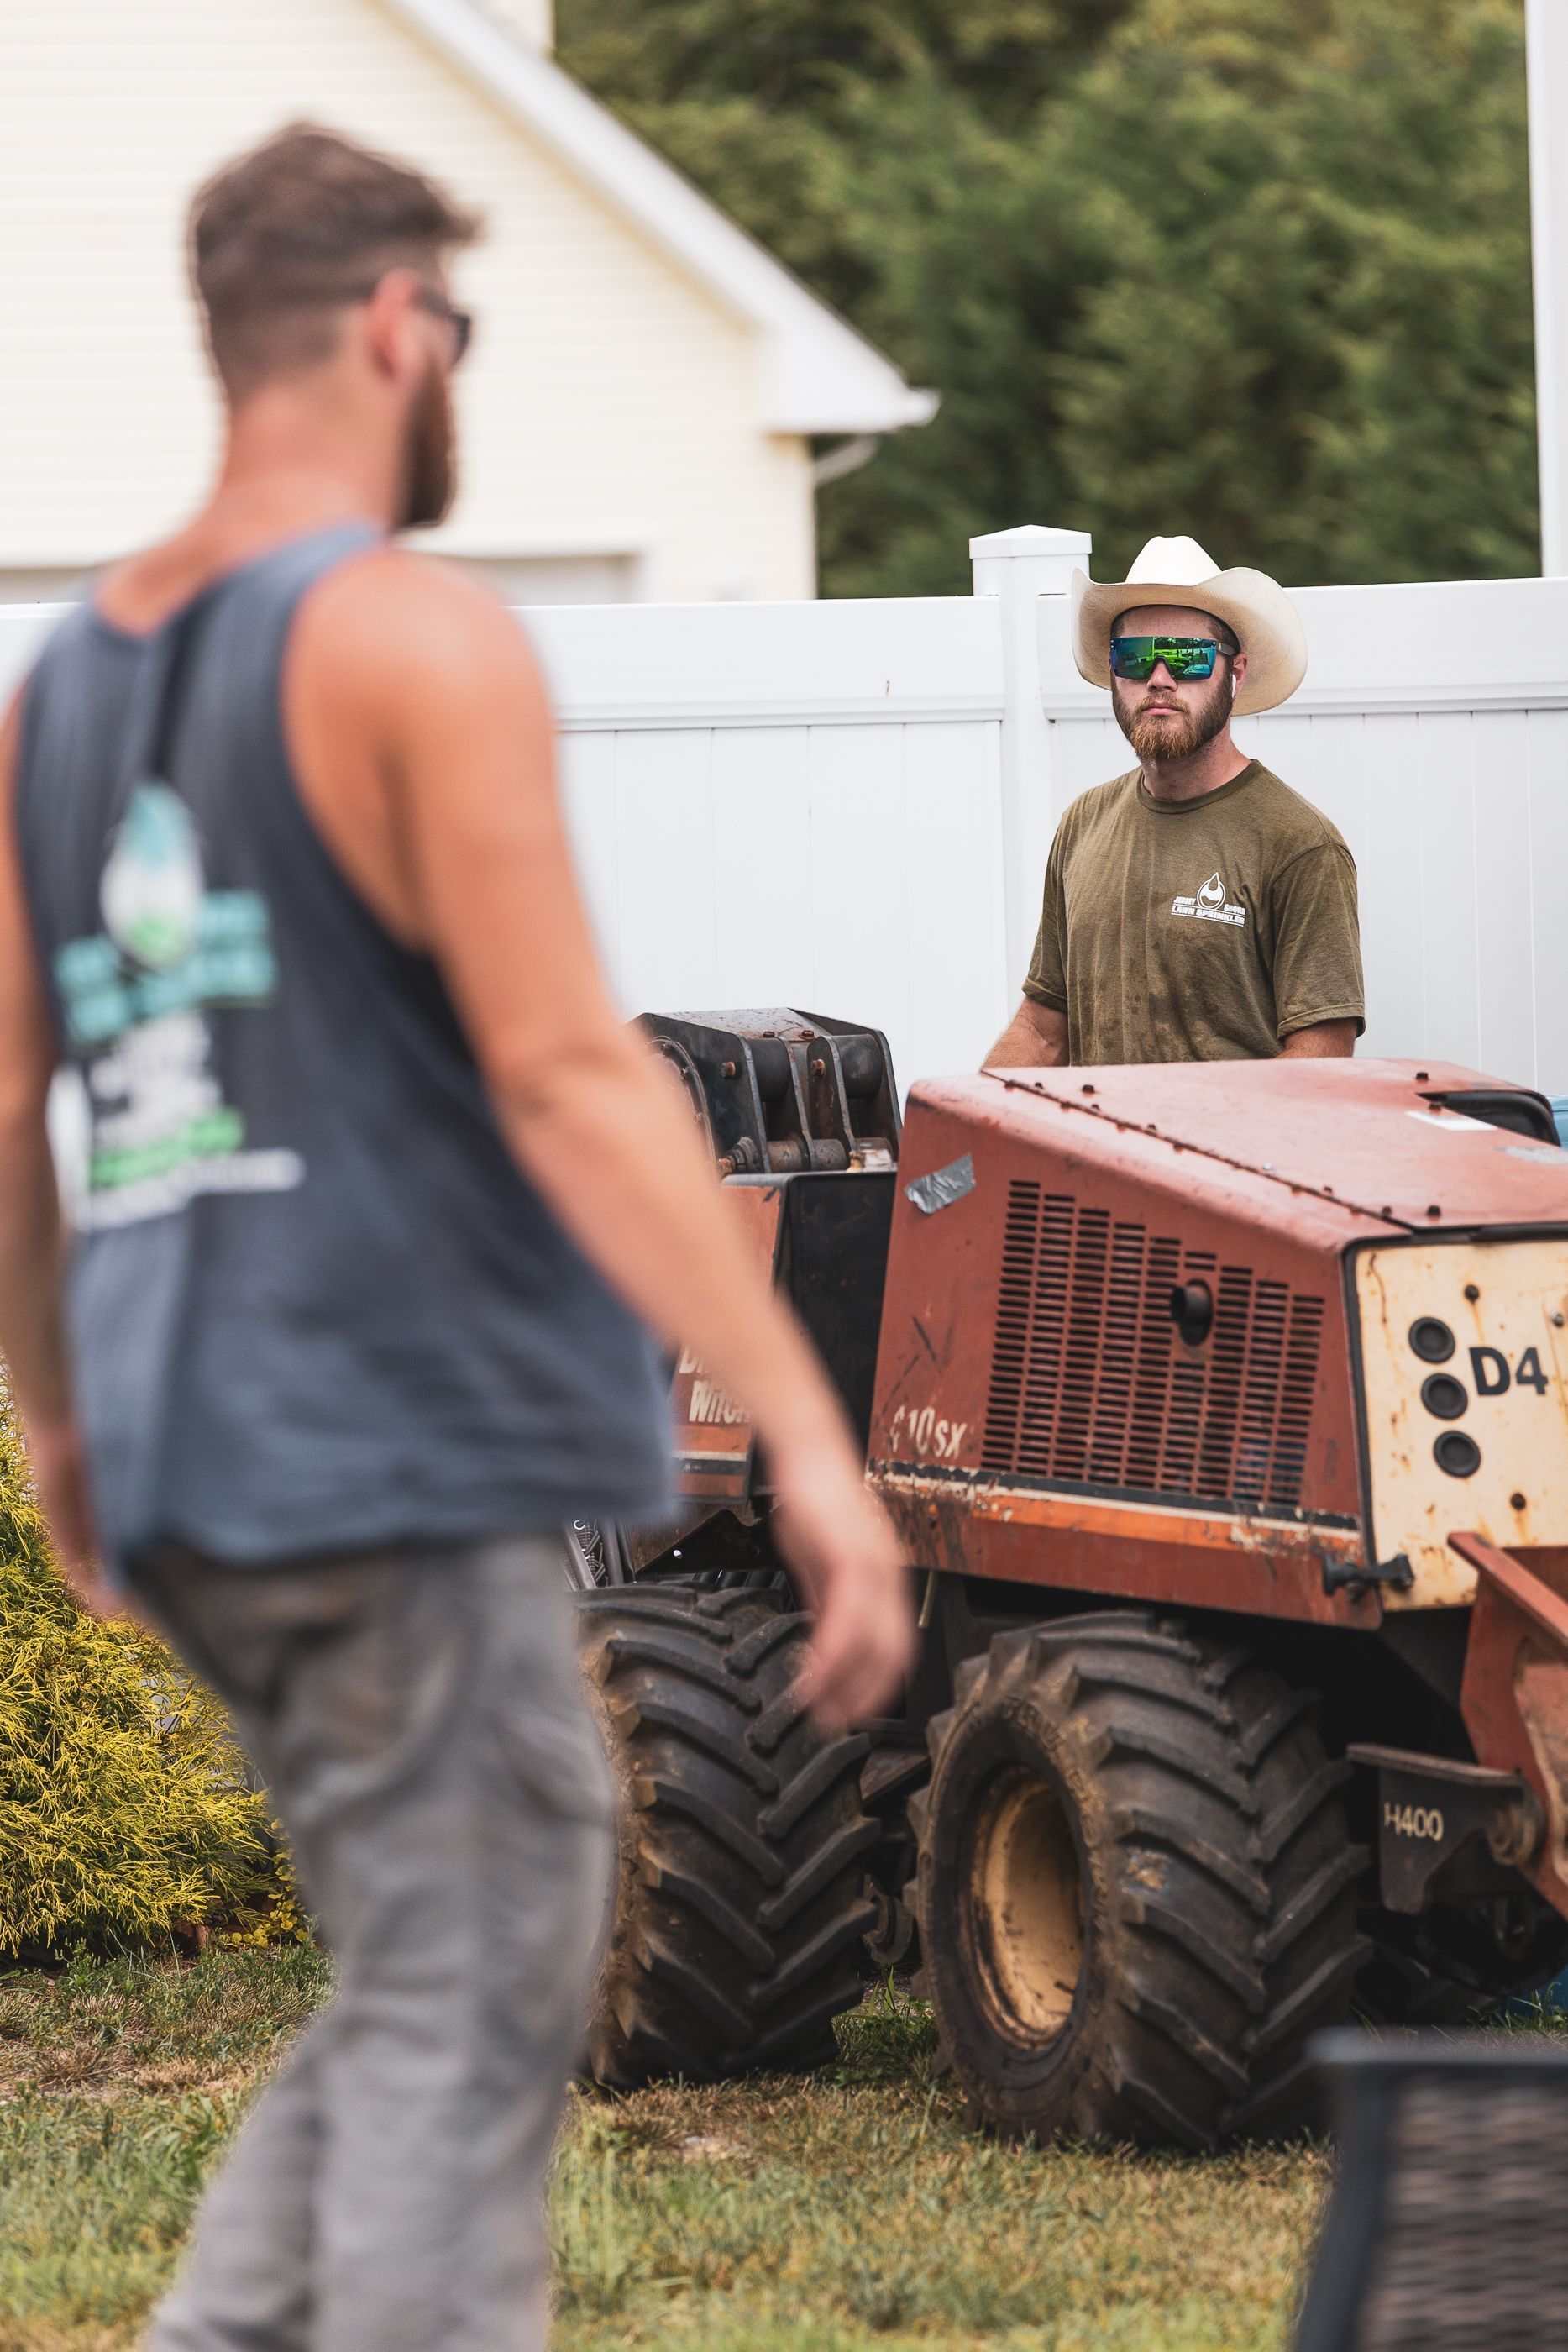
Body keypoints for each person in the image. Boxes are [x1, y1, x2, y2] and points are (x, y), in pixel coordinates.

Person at [0, 123, 912, 2352]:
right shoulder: (409, 638)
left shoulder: (63, 697)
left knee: (424, 1963)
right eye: (466, 335)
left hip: (203, 1453)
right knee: (499, 1958)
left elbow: (13, 1104)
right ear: (398, 328)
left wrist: (61, 1424)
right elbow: (575, 1073)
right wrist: (803, 1432)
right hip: (391, 1436)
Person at [987, 534, 1364, 1069]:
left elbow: (1320, 1060)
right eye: (1137, 657)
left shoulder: (1300, 844)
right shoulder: (1083, 823)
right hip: (1096, 1152)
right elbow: (1043, 1032)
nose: (1159, 679)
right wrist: (965, 1122)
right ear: (1115, 673)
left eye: (1187, 658)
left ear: (1235, 672)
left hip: (1226, 1153)